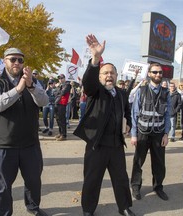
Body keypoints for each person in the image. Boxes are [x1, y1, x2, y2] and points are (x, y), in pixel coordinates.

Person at [73, 34, 136, 216]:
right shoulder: (95, 90)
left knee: (121, 179)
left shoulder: (122, 94)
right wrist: (95, 59)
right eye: (105, 73)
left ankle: (124, 207)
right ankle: (88, 210)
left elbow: (126, 113)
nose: (109, 76)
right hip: (96, 145)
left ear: (116, 76)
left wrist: (129, 124)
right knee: (92, 179)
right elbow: (88, 82)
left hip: (116, 145)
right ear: (100, 76)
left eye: (112, 73)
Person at [0, 47, 49, 216]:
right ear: (4, 61)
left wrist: (31, 86)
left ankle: (33, 207)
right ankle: (4, 213)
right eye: (13, 59)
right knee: (3, 185)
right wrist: (18, 89)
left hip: (30, 144)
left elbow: (44, 101)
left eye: (20, 60)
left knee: (34, 180)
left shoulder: (32, 81)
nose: (17, 63)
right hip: (4, 144)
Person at [130, 62, 171, 201]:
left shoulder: (166, 93)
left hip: (159, 133)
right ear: (149, 74)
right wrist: (134, 135)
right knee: (138, 162)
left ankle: (158, 187)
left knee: (159, 163)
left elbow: (167, 114)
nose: (158, 74)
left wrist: (166, 134)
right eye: (154, 72)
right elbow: (134, 113)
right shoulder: (141, 91)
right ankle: (135, 187)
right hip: (143, 132)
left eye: (160, 72)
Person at [54, 74, 71, 141]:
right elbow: (55, 93)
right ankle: (60, 133)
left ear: (64, 78)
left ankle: (64, 135)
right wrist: (58, 90)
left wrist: (58, 90)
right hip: (57, 103)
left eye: (61, 78)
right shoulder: (60, 86)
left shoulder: (67, 85)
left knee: (62, 120)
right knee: (58, 119)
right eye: (59, 78)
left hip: (62, 104)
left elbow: (63, 93)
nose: (60, 79)